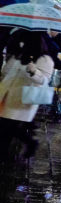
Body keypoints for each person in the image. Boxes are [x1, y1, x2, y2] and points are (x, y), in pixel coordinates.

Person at [0, 31, 56, 162]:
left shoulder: (45, 59)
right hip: (6, 95)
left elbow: (44, 80)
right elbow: (6, 73)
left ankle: (4, 155)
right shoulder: (17, 55)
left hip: (22, 98)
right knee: (7, 128)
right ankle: (29, 143)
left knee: (6, 128)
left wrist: (34, 71)